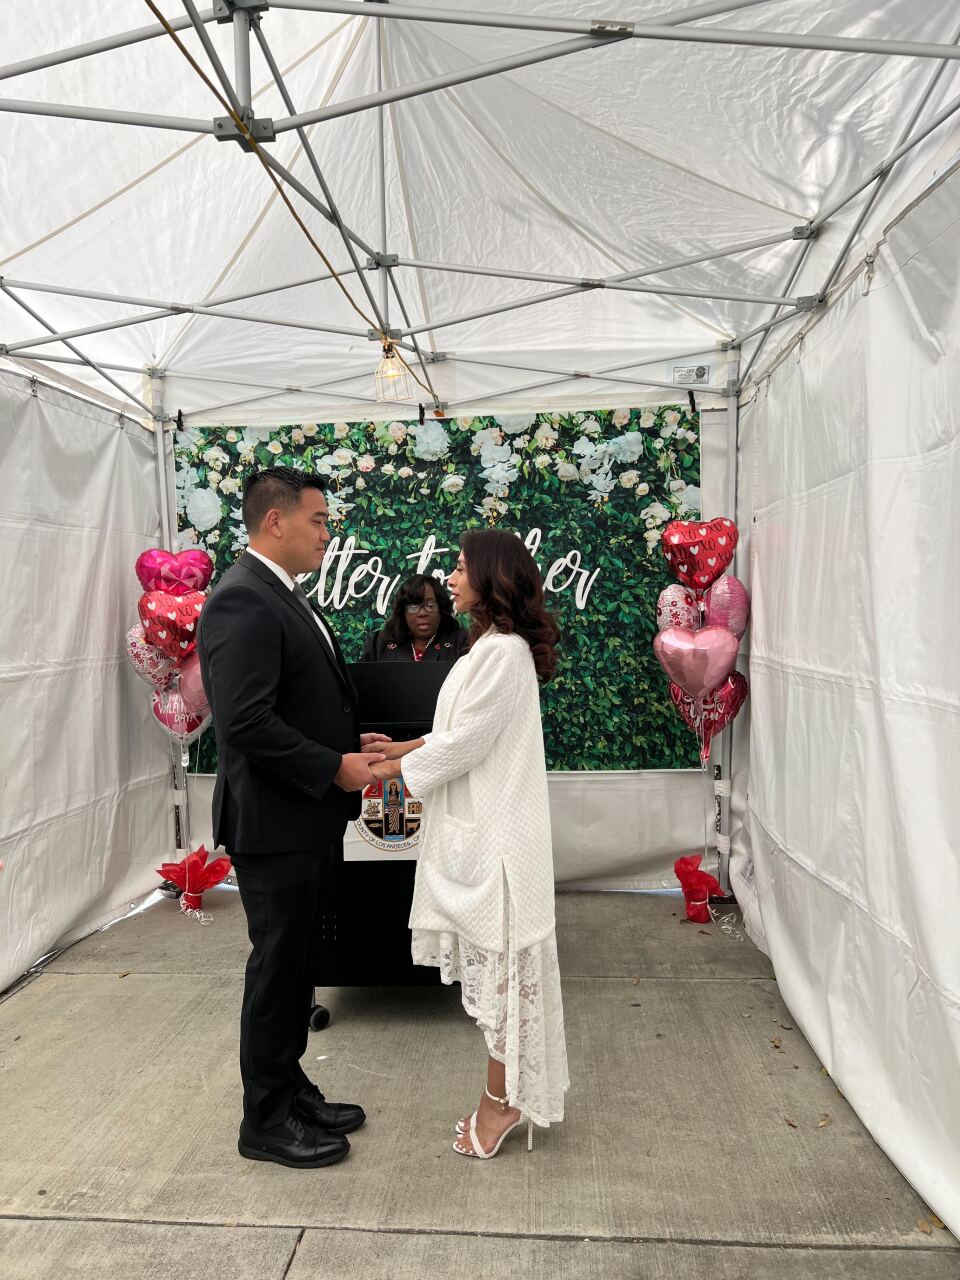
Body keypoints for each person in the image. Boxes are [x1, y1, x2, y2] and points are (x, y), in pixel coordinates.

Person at [197, 466, 390, 1170]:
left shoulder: (283, 596)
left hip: (303, 818)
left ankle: (290, 1084)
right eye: (318, 519)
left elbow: (299, 699)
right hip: (274, 823)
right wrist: (329, 766)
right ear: (274, 521)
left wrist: (351, 744)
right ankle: (265, 1120)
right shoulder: (241, 601)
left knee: (300, 963)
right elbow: (244, 722)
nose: (326, 531)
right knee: (277, 968)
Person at [366, 528, 569, 1159]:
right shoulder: (489, 648)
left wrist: (388, 769)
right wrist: (400, 748)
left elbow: (466, 744)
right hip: (488, 834)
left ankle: (501, 1104)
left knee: (505, 979)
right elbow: (453, 732)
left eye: (458, 569)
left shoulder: (503, 653)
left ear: (489, 578)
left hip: (502, 845)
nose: (449, 580)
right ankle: (504, 1096)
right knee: (500, 976)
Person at [361, 573, 469, 663]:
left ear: (441, 608)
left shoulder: (462, 642)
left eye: (430, 606)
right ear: (403, 612)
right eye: (413, 607)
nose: (422, 613)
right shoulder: (380, 643)